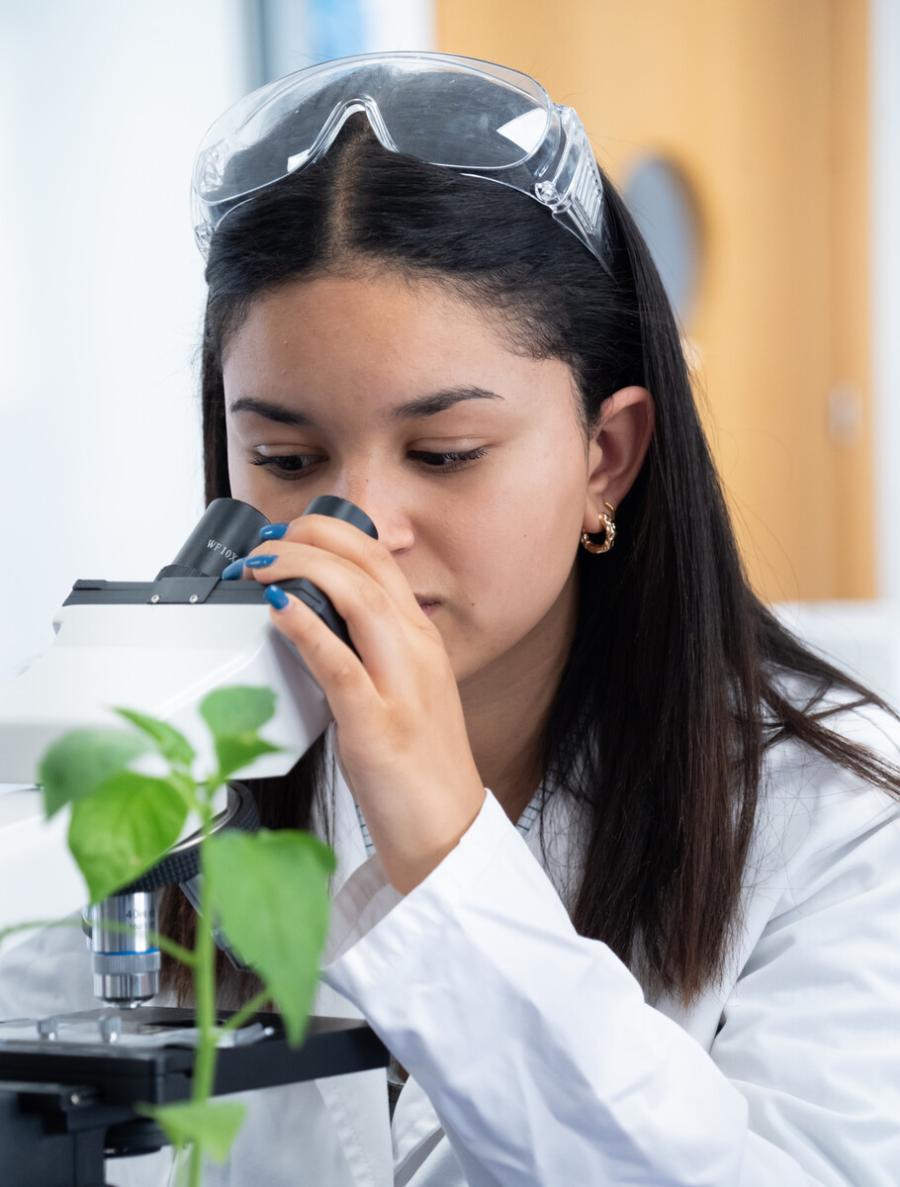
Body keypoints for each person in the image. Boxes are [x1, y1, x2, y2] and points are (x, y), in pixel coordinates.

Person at [4, 50, 900, 1186]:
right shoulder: (173, 753)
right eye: (286, 456)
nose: (359, 524)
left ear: (605, 460)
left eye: (446, 454)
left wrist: (443, 857)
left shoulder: (839, 823)